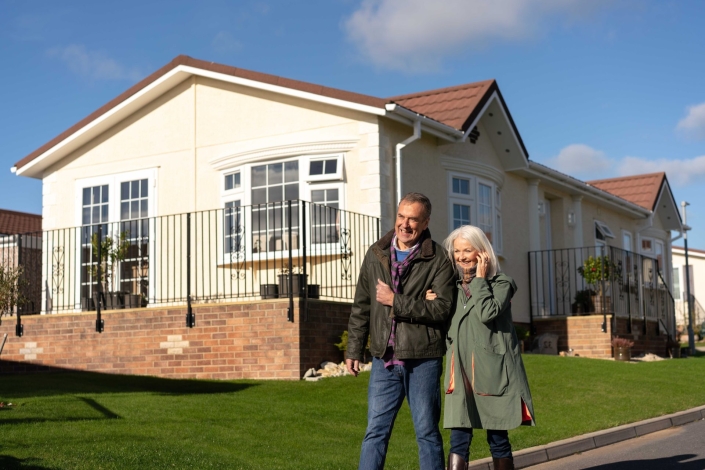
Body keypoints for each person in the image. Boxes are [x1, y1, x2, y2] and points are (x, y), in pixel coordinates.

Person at [345, 192, 456, 470]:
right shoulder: (376, 254)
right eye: (401, 217)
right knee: (375, 432)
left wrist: (395, 300)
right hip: (384, 359)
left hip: (423, 358)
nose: (405, 224)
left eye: (413, 219)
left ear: (426, 221)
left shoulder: (439, 259)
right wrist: (354, 349)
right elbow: (361, 306)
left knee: (427, 433)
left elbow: (443, 309)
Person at [426, 225, 535, 470]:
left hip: (492, 372)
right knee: (458, 439)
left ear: (483, 253)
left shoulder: (502, 283)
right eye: (457, 251)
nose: (462, 256)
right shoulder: (451, 288)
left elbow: (487, 313)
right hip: (460, 370)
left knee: (497, 438)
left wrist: (479, 280)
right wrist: (432, 304)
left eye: (468, 250)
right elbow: (447, 328)